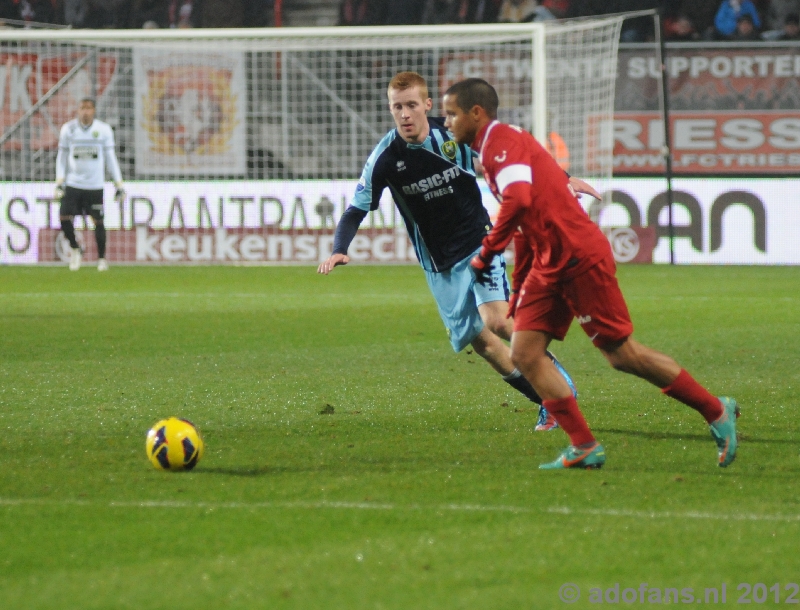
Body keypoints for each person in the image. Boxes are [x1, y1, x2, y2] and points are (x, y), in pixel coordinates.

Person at [441, 78, 740, 470]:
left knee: (622, 355)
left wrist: (487, 253)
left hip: (580, 257)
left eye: (451, 113)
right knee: (525, 353)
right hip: (551, 263)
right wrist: (516, 290)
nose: (446, 123)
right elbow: (527, 223)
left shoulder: (500, 144)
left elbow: (518, 201)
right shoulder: (496, 149)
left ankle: (716, 409)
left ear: (475, 114)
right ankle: (584, 445)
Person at [318, 71, 598, 430]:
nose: (404, 114)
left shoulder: (453, 135)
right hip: (438, 263)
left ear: (427, 105)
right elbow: (356, 209)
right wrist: (340, 248)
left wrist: (563, 178)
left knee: (499, 320)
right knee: (482, 343)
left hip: (480, 241)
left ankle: (561, 393)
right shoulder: (386, 157)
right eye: (396, 107)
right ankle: (546, 399)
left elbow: (510, 152)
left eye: (411, 105)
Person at [55, 97, 125, 271]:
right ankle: (75, 248)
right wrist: (59, 180)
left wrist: (119, 184)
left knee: (98, 221)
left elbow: (110, 158)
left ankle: (101, 259)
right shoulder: (68, 129)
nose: (85, 112)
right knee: (63, 217)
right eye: (82, 108)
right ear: (77, 110)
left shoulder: (103, 130)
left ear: (93, 110)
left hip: (95, 185)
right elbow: (61, 157)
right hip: (73, 184)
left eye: (88, 108)